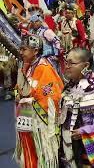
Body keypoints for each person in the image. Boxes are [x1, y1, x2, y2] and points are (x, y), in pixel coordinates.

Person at [14, 35, 64, 168]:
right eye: (20, 49)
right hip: (27, 115)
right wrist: (19, 96)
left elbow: (52, 98)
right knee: (30, 149)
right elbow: (19, 88)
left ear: (35, 51)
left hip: (39, 121)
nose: (21, 52)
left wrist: (27, 100)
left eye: (24, 49)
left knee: (41, 152)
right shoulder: (27, 66)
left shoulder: (44, 68)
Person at [28, 7, 63, 73]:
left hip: (48, 58)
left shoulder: (46, 31)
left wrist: (56, 54)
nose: (35, 23)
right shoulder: (31, 32)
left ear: (41, 22)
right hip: (36, 58)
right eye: (33, 21)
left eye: (37, 21)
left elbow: (57, 41)